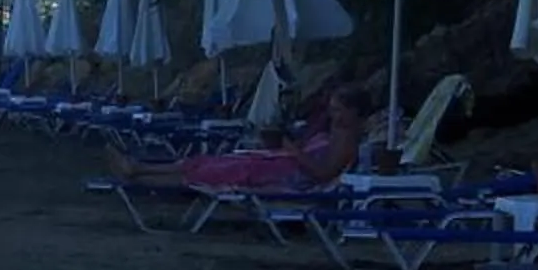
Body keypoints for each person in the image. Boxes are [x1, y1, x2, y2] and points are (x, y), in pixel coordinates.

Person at [105, 89, 363, 193]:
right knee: (204, 162)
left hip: (284, 177)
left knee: (210, 172)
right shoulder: (334, 131)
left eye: (338, 110)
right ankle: (137, 169)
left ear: (355, 111)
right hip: (277, 164)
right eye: (333, 108)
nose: (333, 114)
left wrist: (295, 151)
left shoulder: (348, 141)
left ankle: (136, 174)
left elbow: (322, 174)